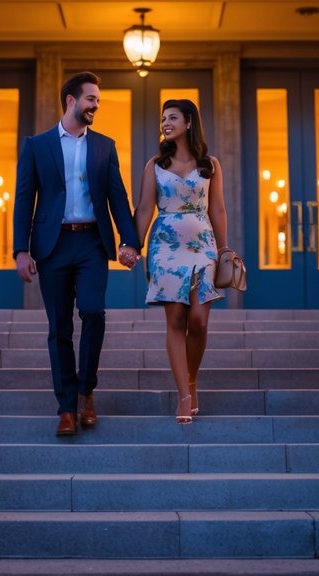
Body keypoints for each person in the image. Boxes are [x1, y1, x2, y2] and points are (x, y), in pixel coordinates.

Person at [12, 71, 141, 438]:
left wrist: (129, 242)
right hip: (52, 247)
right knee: (59, 329)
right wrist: (21, 249)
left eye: (98, 100)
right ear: (71, 100)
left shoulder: (104, 146)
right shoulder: (37, 146)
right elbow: (24, 199)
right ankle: (66, 408)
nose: (96, 105)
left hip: (91, 244)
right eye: (91, 99)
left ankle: (87, 390)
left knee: (93, 312)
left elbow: (118, 197)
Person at [133, 99, 227, 425]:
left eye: (172, 117)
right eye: (162, 118)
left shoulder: (209, 165)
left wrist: (225, 250)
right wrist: (134, 244)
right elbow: (145, 208)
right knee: (176, 320)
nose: (165, 122)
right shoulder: (155, 166)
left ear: (189, 122)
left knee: (199, 320)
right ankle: (184, 396)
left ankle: (192, 379)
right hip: (165, 248)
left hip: (203, 246)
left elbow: (218, 210)